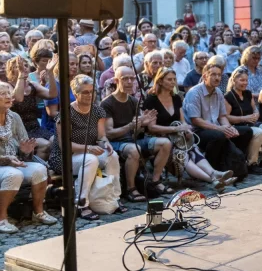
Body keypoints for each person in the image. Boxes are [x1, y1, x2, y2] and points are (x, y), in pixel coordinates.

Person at [144, 68, 237, 191]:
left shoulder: (176, 98)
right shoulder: (152, 100)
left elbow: (182, 120)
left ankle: (214, 173)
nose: (173, 82)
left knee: (192, 148)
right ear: (160, 81)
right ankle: (213, 179)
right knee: (182, 154)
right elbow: (151, 127)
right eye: (169, 79)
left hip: (177, 137)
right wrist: (174, 129)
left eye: (174, 79)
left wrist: (186, 129)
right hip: (160, 138)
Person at [49, 75, 126, 220]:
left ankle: (114, 197)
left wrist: (106, 144)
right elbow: (64, 145)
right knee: (90, 159)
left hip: (87, 152)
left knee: (112, 156)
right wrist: (89, 148)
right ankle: (81, 203)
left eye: (92, 91)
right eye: (85, 92)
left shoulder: (97, 111)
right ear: (76, 93)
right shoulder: (66, 113)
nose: (89, 95)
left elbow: (101, 136)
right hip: (65, 158)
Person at [102, 66, 175, 199]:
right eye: (125, 79)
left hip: (132, 140)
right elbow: (109, 133)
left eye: (132, 78)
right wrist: (131, 125)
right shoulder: (107, 103)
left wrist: (143, 124)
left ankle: (155, 180)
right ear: (117, 81)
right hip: (115, 143)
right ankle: (131, 189)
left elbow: (137, 132)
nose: (130, 82)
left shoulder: (133, 101)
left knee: (165, 143)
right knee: (134, 150)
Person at [0, 82, 57, 233]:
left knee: (39, 169)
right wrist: (6, 160)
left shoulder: (15, 117)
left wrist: (25, 151)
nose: (8, 97)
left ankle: (38, 212)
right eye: (2, 94)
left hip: (14, 162)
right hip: (3, 165)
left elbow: (24, 147)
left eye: (8, 93)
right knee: (14, 174)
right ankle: (2, 218)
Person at [183, 64, 256, 174]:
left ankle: (234, 162)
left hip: (215, 127)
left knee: (246, 131)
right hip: (197, 131)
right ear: (204, 76)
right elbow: (195, 120)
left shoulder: (218, 92)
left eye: (219, 75)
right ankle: (213, 168)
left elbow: (222, 116)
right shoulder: (194, 93)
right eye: (213, 75)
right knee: (218, 136)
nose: (217, 78)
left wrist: (229, 128)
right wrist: (220, 128)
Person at [224, 67, 262, 174]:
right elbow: (226, 117)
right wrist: (244, 118)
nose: (245, 83)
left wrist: (256, 114)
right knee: (258, 132)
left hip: (251, 123)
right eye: (242, 80)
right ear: (234, 81)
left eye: (246, 80)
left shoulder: (247, 93)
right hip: (237, 125)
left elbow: (254, 108)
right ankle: (251, 163)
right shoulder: (228, 96)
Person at [7, 55, 58, 158]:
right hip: (19, 130)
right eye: (19, 66)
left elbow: (52, 94)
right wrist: (21, 75)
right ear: (12, 70)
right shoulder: (8, 86)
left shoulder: (32, 85)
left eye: (26, 65)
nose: (24, 68)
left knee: (55, 140)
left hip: (35, 127)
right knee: (45, 144)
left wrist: (50, 73)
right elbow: (18, 98)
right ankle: (39, 168)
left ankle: (51, 168)